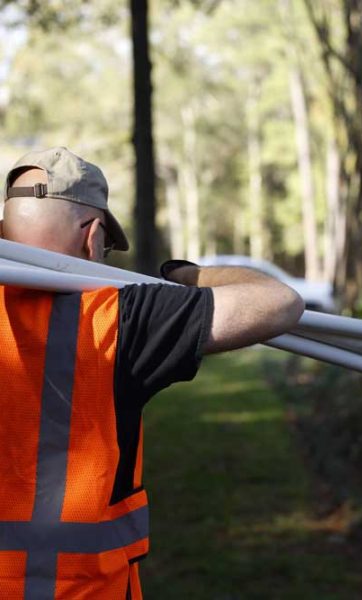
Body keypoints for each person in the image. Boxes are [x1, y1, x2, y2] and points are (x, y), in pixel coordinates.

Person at [0, 146, 304, 599]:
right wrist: (186, 276)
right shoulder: (116, 319)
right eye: (104, 245)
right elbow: (280, 302)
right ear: (92, 235)